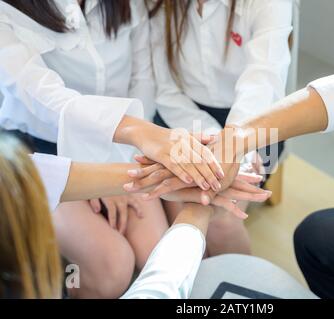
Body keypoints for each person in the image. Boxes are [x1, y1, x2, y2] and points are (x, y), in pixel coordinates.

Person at [140, 51, 334, 298]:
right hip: (208, 128)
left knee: (219, 227)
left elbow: (264, 76)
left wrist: (201, 199)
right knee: (316, 236)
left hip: (235, 126)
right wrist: (236, 139)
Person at [0, 0, 224, 298]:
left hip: (124, 142)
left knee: (154, 249)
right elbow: (44, 98)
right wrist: (120, 147)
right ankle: (68, 283)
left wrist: (119, 153)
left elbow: (143, 79)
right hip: (42, 151)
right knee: (112, 267)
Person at [0, 132, 270, 299]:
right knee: (112, 270)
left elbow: (43, 178)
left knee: (151, 249)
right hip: (55, 146)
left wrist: (157, 178)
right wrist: (198, 209)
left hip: (117, 152)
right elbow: (157, 291)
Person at [148, 0, 294, 256]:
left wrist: (234, 146)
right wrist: (212, 143)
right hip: (183, 113)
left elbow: (263, 81)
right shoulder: (160, 6)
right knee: (185, 206)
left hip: (255, 119)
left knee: (221, 220)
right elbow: (165, 89)